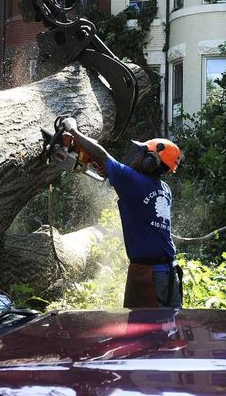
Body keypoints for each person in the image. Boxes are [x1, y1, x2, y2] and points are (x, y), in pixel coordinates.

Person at [60, 117, 183, 308]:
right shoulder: (164, 188)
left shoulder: (132, 180)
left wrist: (73, 130)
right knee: (168, 328)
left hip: (149, 274)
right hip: (168, 271)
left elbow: (103, 157)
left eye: (142, 153)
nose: (136, 156)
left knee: (145, 331)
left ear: (151, 162)